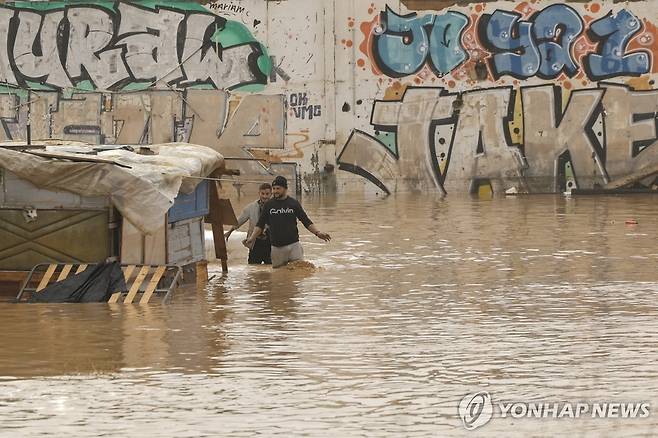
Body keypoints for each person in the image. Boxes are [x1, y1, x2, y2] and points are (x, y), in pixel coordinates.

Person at [245, 175, 330, 268]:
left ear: (285, 189)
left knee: (298, 273)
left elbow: (306, 221)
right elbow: (260, 225)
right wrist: (252, 238)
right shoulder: (269, 205)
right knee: (279, 277)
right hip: (276, 248)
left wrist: (318, 233)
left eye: (278, 188)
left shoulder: (293, 203)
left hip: (294, 246)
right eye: (273, 188)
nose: (275, 191)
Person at [224, 183, 272, 264]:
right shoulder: (251, 207)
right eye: (262, 193)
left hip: (271, 242)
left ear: (271, 194)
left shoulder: (275, 207)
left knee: (272, 269)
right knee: (253, 269)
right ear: (259, 193)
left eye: (267, 194)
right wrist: (230, 231)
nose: (264, 196)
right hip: (255, 242)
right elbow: (240, 220)